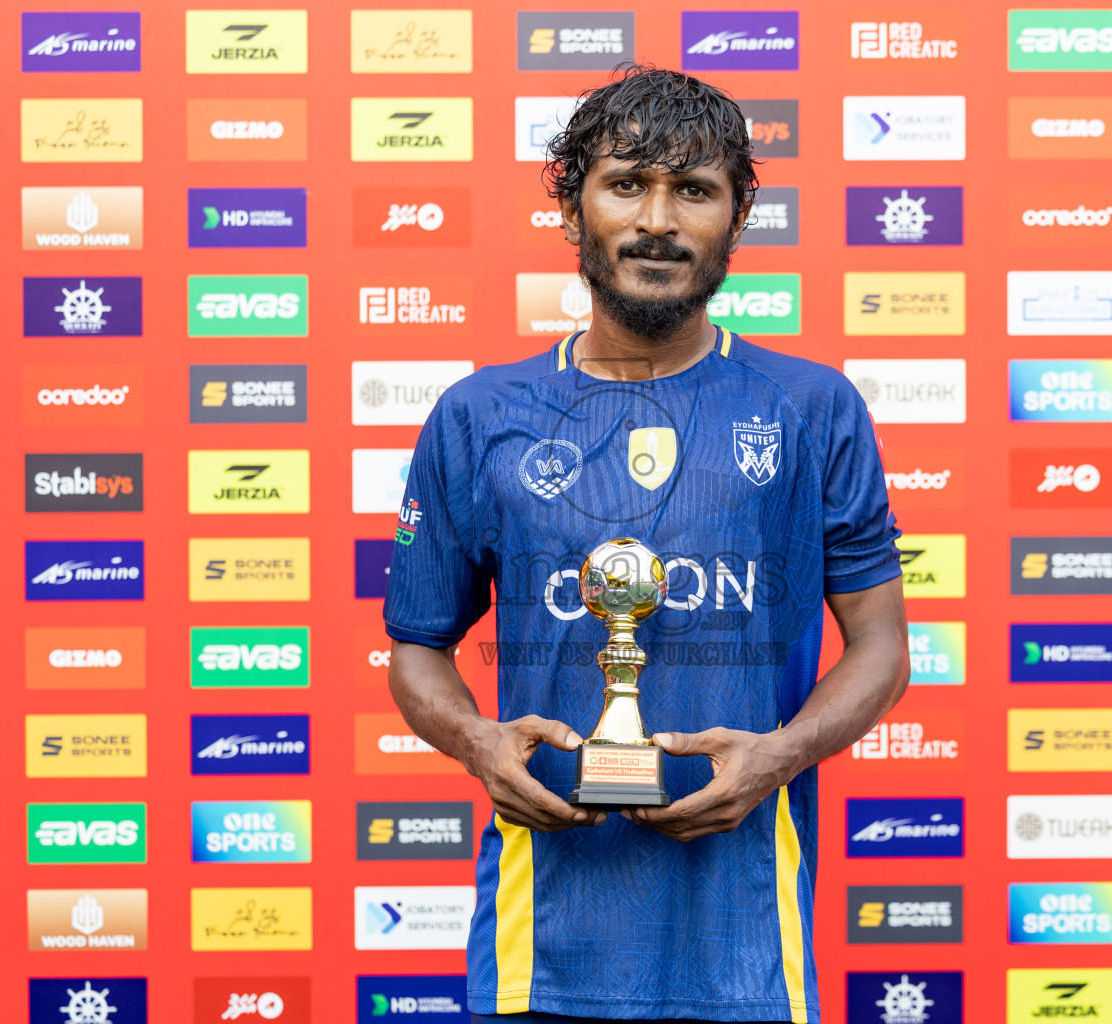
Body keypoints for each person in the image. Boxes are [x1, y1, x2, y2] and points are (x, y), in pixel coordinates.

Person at [385, 64, 910, 1024]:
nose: (657, 220)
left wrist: (781, 755)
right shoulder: (478, 416)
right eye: (627, 184)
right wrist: (478, 743)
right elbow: (417, 647)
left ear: (737, 217)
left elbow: (881, 643)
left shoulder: (812, 408)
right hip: (540, 950)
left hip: (748, 951)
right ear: (572, 207)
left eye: (694, 190)